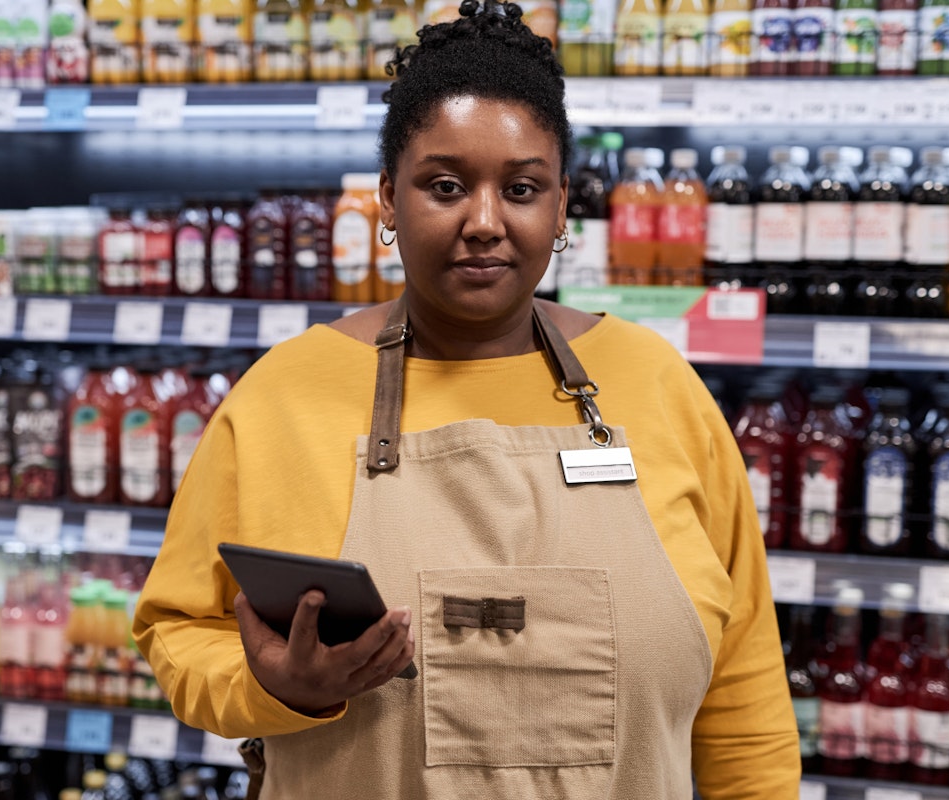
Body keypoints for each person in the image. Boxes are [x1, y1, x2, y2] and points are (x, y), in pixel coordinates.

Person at [133, 2, 800, 797]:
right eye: (445, 185)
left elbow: (746, 697)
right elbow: (180, 631)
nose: (484, 222)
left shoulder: (657, 387)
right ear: (388, 197)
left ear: (560, 210)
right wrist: (273, 688)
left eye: (522, 188)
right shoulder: (281, 397)